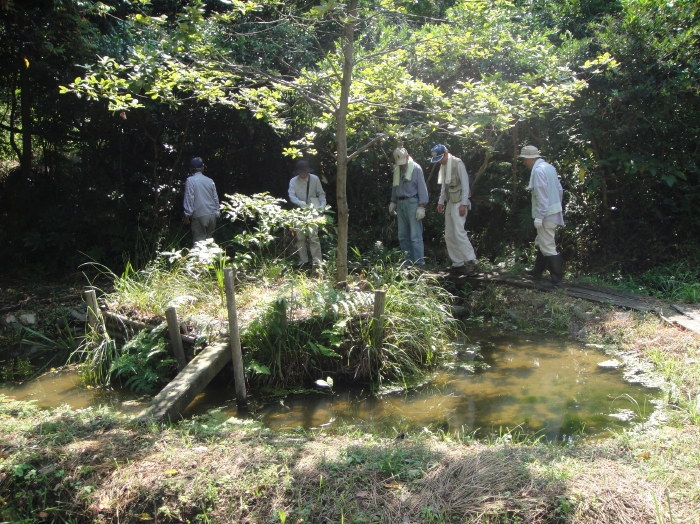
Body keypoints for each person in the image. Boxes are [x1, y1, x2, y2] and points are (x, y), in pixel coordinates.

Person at [519, 145, 564, 286]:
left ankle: (557, 280)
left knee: (548, 245)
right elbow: (560, 190)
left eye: (525, 159)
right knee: (542, 241)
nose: (524, 162)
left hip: (547, 214)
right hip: (554, 210)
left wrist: (540, 216)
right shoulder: (549, 167)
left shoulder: (538, 171)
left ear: (531, 158)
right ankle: (537, 271)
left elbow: (542, 197)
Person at [431, 144, 478, 274]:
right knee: (449, 234)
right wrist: (441, 202)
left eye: (440, 158)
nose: (439, 161)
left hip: (459, 201)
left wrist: (464, 203)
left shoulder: (458, 163)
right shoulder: (443, 166)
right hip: (450, 201)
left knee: (459, 232)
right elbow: (443, 187)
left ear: (446, 153)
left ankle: (472, 261)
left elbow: (465, 184)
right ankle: (458, 263)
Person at [389, 147, 429, 267]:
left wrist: (421, 206)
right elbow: (395, 187)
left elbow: (422, 188)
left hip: (413, 203)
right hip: (400, 204)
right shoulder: (397, 169)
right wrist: (393, 202)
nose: (401, 165)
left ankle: (419, 264)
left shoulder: (416, 168)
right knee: (402, 235)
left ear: (408, 157)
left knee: (415, 236)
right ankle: (407, 262)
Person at [288, 159, 326, 268]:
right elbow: (292, 196)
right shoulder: (293, 181)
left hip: (314, 210)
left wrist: (322, 205)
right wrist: (301, 203)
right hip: (299, 211)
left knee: (314, 237)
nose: (304, 174)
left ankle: (317, 262)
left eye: (305, 172)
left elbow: (321, 194)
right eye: (301, 173)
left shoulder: (315, 179)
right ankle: (303, 261)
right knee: (300, 238)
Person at [183, 157, 219, 245]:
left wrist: (187, 216)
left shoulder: (190, 180)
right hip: (212, 215)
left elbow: (189, 198)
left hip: (199, 215)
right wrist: (217, 212)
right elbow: (215, 198)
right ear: (203, 168)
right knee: (209, 242)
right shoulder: (210, 181)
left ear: (191, 169)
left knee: (199, 244)